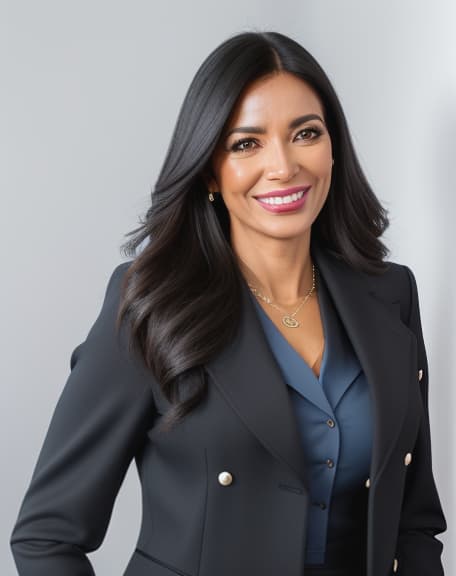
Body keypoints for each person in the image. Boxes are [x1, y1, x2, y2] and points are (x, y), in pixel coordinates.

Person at [10, 31, 446, 576]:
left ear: (333, 147)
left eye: (305, 133)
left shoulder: (390, 294)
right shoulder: (150, 301)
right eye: (247, 143)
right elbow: (46, 537)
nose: (283, 166)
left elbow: (415, 525)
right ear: (211, 169)